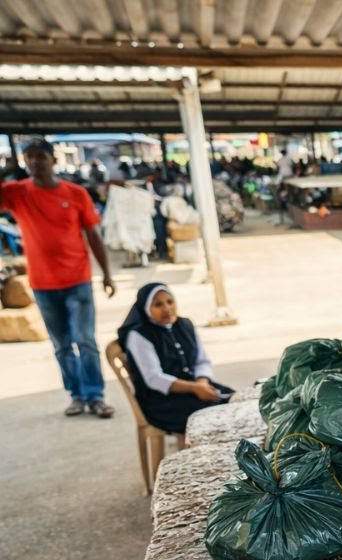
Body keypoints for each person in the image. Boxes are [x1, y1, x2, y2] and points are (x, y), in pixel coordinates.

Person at [0, 138, 116, 418]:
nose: (35, 162)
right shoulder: (17, 193)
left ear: (53, 159)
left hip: (78, 280)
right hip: (43, 285)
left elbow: (93, 236)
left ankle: (95, 395)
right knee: (62, 345)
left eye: (41, 156)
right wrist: (6, 169)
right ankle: (76, 395)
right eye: (29, 157)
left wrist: (107, 275)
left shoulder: (76, 193)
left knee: (85, 340)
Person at [117, 282, 233, 433]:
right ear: (146, 309)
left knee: (237, 402)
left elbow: (201, 360)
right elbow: (154, 378)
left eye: (170, 302)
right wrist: (195, 388)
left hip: (196, 387)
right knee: (214, 416)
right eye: (158, 305)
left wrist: (202, 382)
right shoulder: (139, 335)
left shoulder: (185, 324)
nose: (167, 308)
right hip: (163, 402)